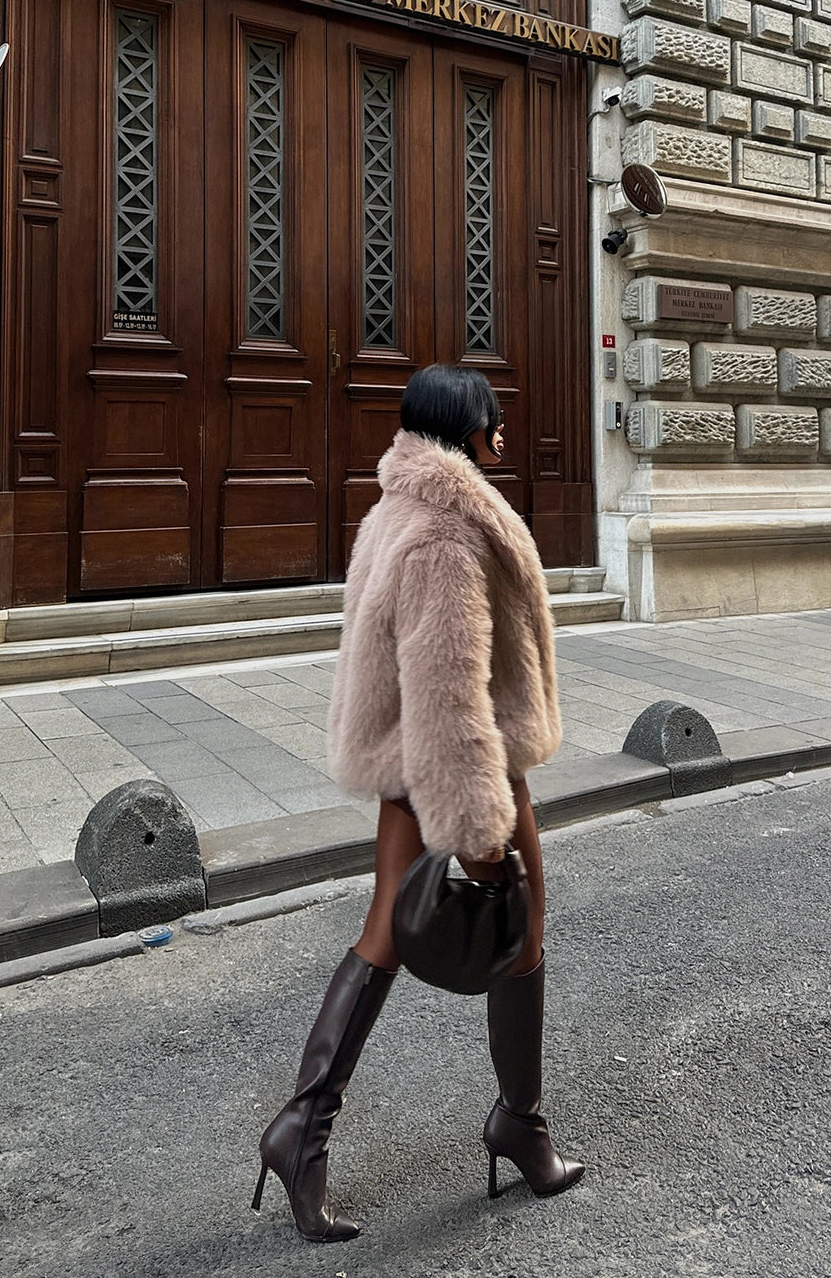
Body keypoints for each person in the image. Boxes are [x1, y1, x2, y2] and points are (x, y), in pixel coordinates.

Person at [252, 363, 584, 1242]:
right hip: (462, 764)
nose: (503, 433)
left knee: (387, 935)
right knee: (521, 928)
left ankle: (304, 1131)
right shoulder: (445, 532)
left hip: (411, 766)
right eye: (492, 420)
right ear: (460, 428)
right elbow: (446, 692)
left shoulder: (396, 508)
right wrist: (479, 831)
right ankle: (517, 1123)